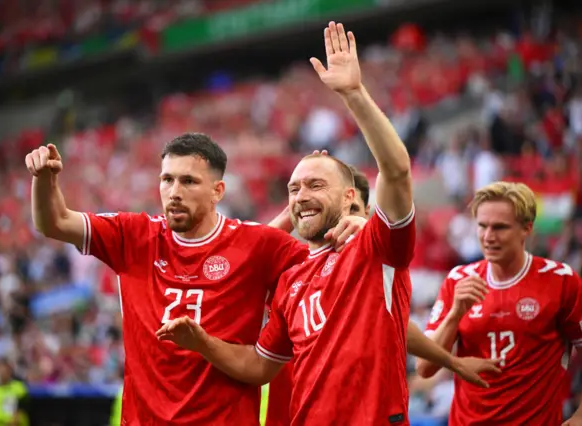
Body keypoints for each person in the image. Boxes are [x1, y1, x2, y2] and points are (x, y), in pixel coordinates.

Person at [157, 22, 498, 425]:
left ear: (351, 196)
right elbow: (258, 367)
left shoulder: (375, 247)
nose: (301, 195)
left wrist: (354, 94)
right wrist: (202, 342)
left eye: (316, 184)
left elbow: (396, 170)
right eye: (294, 188)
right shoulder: (290, 276)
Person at [25, 134, 363, 424]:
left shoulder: (259, 245)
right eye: (166, 179)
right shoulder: (134, 235)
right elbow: (53, 222)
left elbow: (335, 263)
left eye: (188, 181)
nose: (174, 191)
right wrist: (44, 179)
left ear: (218, 191)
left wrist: (349, 210)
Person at [263, 165, 501, 426]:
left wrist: (451, 362)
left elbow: (392, 324)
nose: (345, 222)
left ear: (367, 213)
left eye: (354, 212)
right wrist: (296, 203)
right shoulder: (295, 266)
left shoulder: (372, 258)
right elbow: (254, 252)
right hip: (290, 412)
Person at [417, 181, 582, 425]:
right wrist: (455, 314)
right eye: (482, 226)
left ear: (526, 229)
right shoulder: (458, 280)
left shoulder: (561, 281)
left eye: (500, 227)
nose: (488, 236)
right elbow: (424, 367)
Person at [0, 359, 29, 426]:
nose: (2, 372)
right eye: (0, 370)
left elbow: (21, 412)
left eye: (6, 370)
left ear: (10, 371)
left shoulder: (19, 388)